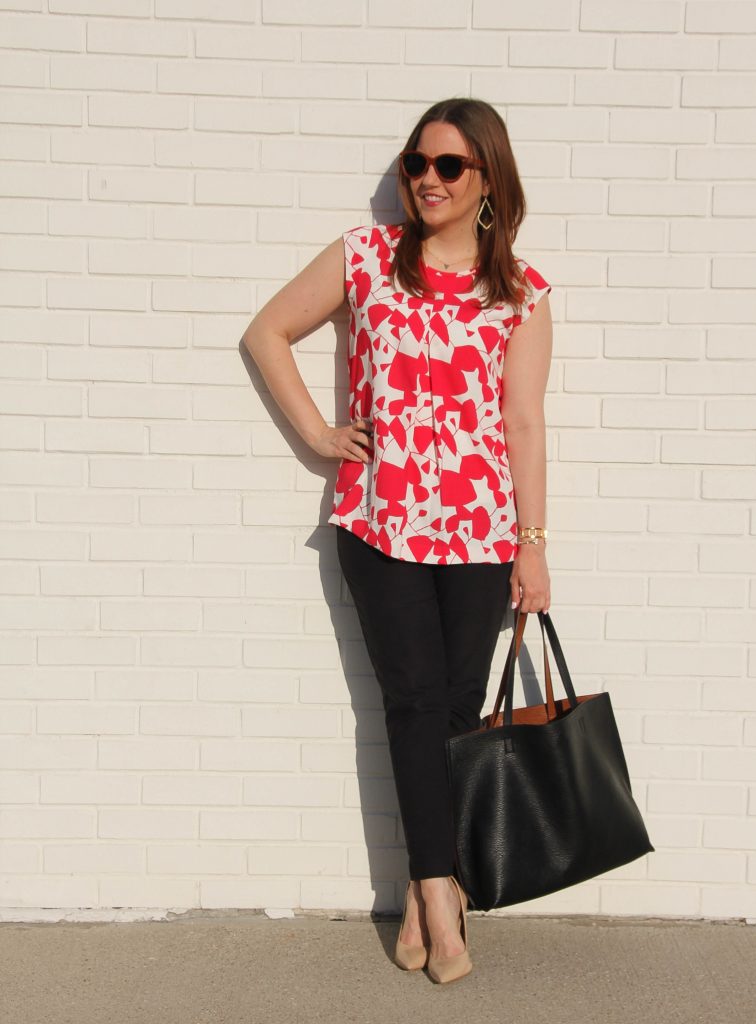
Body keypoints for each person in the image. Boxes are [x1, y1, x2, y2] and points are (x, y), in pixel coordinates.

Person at [242, 97, 552, 985]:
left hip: (481, 535)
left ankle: (428, 895)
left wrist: (532, 542)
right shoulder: (370, 258)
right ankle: (440, 895)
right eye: (418, 162)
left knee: (456, 711)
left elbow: (523, 422)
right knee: (413, 704)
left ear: (487, 179)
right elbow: (269, 331)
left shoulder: (520, 293)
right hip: (379, 527)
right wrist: (318, 434)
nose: (427, 178)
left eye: (449, 165)